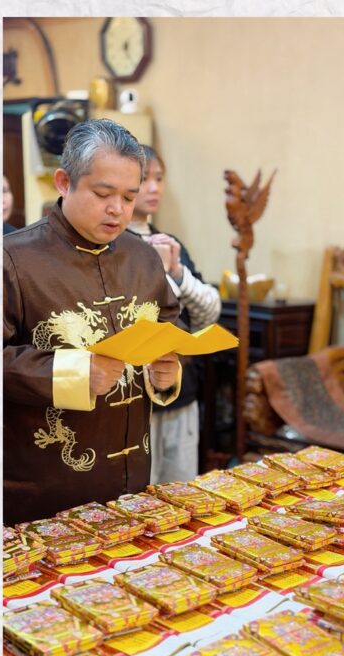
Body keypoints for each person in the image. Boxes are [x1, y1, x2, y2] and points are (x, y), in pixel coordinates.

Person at [3, 119, 182, 525]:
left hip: (133, 474)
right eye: (103, 194)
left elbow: (171, 326)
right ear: (64, 182)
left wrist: (168, 372)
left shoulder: (142, 257)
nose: (117, 208)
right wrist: (74, 373)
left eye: (129, 196)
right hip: (45, 486)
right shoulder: (13, 259)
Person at [129, 144, 222, 483]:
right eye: (145, 179)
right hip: (136, 395)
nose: (154, 188)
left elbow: (208, 314)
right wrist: (162, 274)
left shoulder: (169, 242)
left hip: (183, 389)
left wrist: (177, 272)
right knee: (139, 495)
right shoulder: (114, 245)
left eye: (159, 178)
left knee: (183, 490)